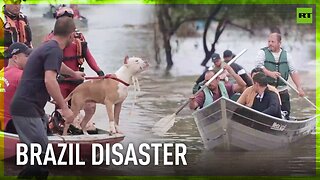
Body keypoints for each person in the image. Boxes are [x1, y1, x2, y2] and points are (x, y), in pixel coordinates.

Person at [10, 16, 80, 179]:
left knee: (39, 154)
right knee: (40, 151)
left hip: (33, 109)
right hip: (26, 109)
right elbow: (50, 80)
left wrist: (73, 73)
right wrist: (64, 108)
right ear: (70, 35)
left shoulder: (48, 47)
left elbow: (57, 64)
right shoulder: (54, 50)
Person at [44, 7, 105, 133]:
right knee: (61, 106)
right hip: (59, 81)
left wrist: (98, 71)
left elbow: (88, 56)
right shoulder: (51, 39)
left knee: (78, 107)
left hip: (77, 82)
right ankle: (59, 128)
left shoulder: (79, 38)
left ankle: (77, 127)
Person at [256, 32, 305, 119]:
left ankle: (284, 120)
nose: (270, 44)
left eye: (272, 42)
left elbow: (293, 71)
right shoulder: (262, 52)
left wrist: (299, 87)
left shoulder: (287, 55)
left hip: (282, 90)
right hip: (267, 90)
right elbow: (259, 66)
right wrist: (270, 73)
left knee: (285, 114)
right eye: (269, 41)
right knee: (267, 114)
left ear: (279, 43)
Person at [2, 42, 31, 133]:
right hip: (13, 126)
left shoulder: (1, 73)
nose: (30, 59)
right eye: (27, 56)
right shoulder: (22, 75)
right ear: (15, 58)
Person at [1, 0, 32, 67]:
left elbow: (29, 43)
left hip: (22, 62)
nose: (17, 6)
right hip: (5, 64)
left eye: (19, 3)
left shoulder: (23, 19)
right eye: (14, 3)